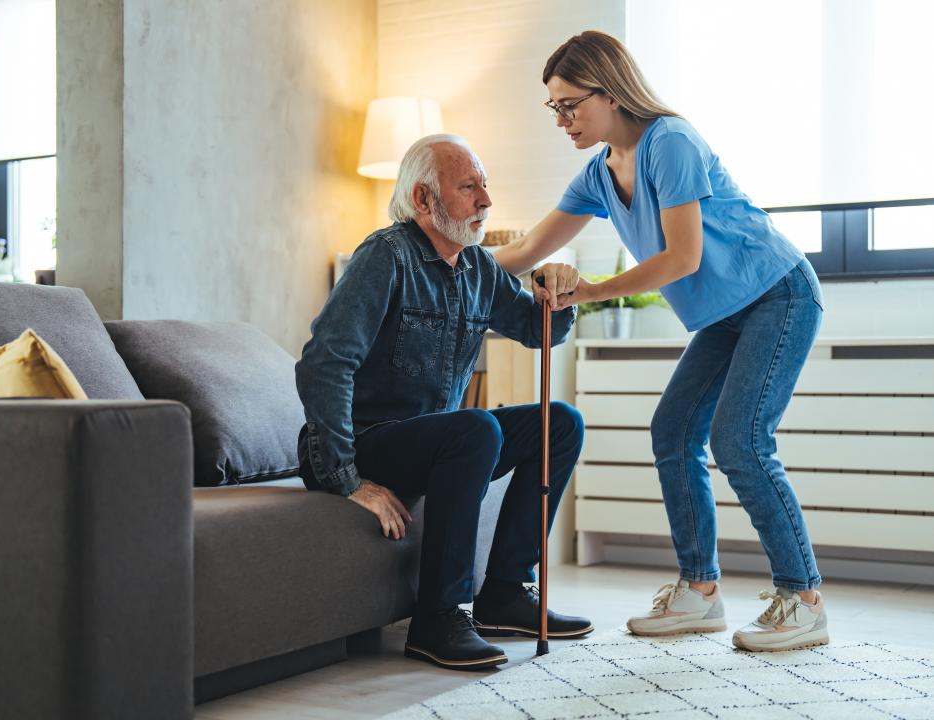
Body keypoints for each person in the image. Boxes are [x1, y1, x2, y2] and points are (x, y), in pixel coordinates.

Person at [492, 31, 829, 652]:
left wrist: (589, 291)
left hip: (777, 294)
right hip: (726, 317)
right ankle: (699, 593)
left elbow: (683, 256)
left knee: (741, 442)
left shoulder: (669, 142)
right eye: (555, 108)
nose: (562, 119)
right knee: (672, 431)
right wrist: (446, 258)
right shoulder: (599, 173)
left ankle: (802, 600)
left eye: (571, 104)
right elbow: (524, 250)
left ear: (611, 90)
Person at [295, 133, 593, 671]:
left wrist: (560, 292)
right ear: (424, 201)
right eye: (468, 187)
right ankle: (437, 619)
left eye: (485, 186)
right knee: (474, 427)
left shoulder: (477, 268)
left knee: (561, 422)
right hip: (368, 443)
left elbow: (536, 330)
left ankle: (503, 593)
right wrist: (344, 477)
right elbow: (323, 363)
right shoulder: (384, 257)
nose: (485, 200)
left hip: (439, 439)